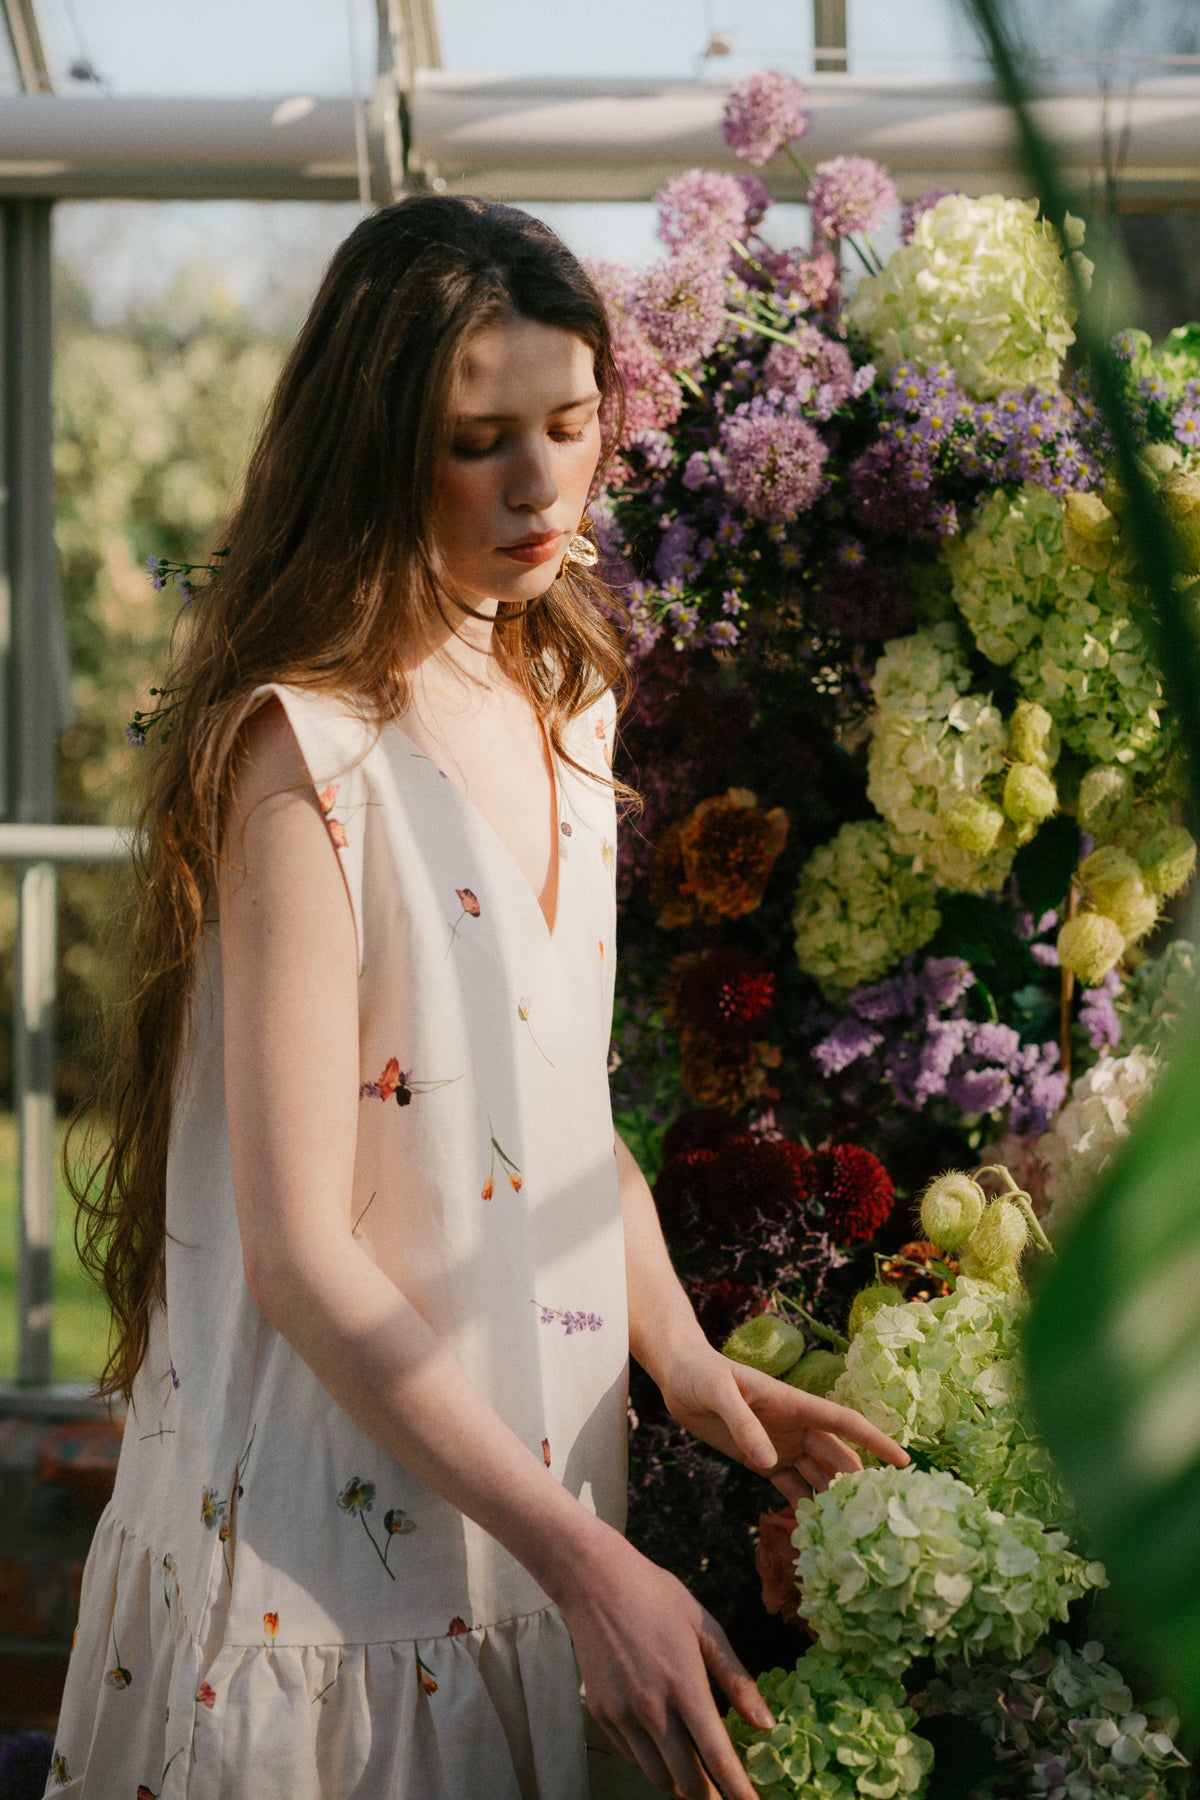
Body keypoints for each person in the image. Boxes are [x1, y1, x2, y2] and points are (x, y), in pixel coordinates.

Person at [52, 195, 906, 1800]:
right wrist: (589, 1565)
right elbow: (303, 1254)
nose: (537, 484)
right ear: (375, 449)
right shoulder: (301, 757)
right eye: (476, 440)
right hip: (340, 1568)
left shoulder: (567, 700)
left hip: (546, 1520)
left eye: (570, 424)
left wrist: (692, 1368)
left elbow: (560, 1113)